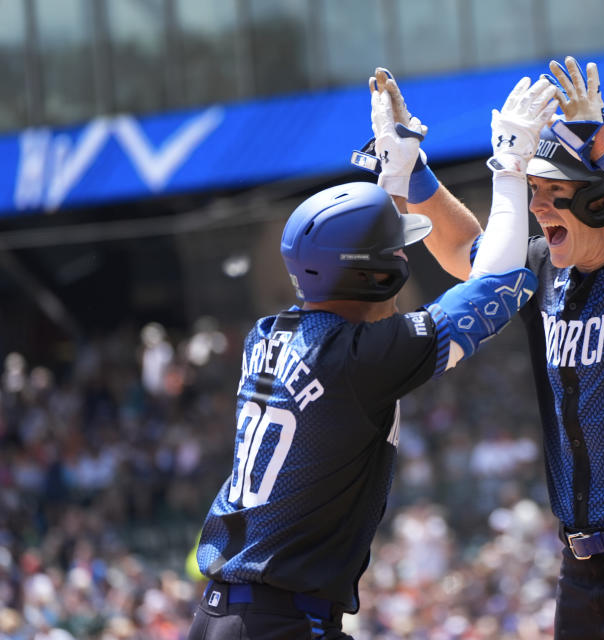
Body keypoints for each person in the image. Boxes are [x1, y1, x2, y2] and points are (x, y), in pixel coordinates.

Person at [367, 58, 604, 639]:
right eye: (533, 192)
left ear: (602, 199)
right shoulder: (542, 268)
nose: (537, 208)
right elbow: (467, 248)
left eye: (554, 193)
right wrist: (413, 171)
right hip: (582, 571)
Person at [186, 69, 557, 639]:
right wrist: (509, 169)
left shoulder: (269, 333)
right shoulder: (360, 360)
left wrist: (396, 174)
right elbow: (499, 283)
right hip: (280, 621)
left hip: (224, 614)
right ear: (378, 271)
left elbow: (363, 284)